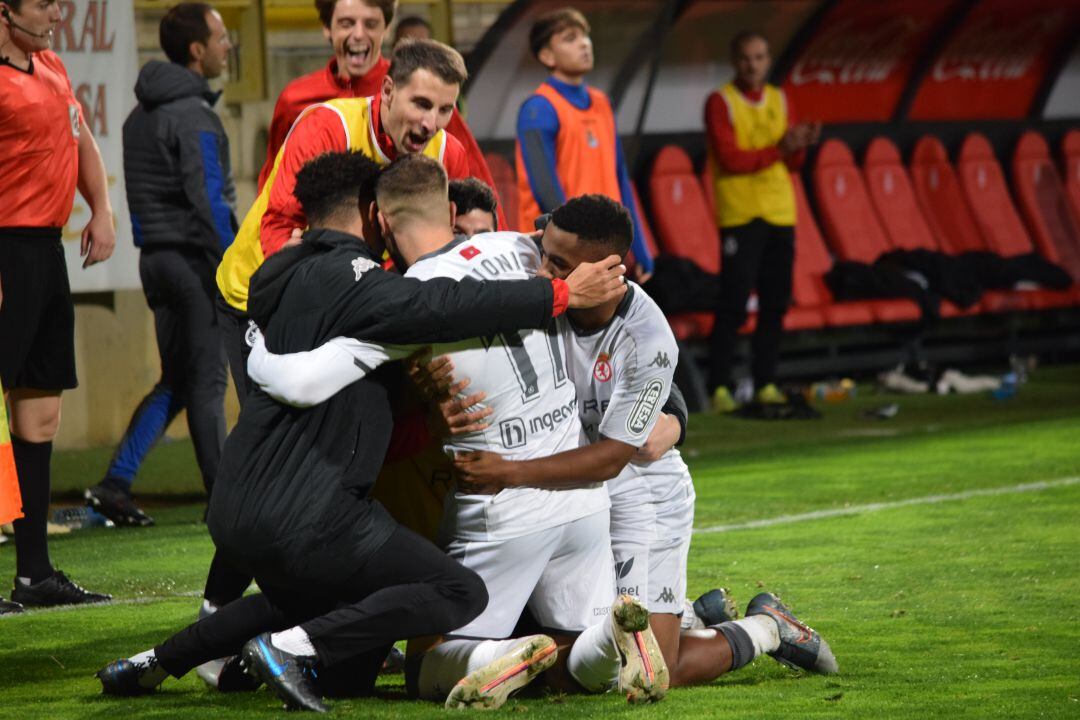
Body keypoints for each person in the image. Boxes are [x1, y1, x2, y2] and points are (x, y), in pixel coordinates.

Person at [96, 151, 629, 712]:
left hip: (241, 501)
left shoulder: (275, 273)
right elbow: (444, 305)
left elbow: (310, 372)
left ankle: (155, 663)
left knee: (324, 613)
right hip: (313, 509)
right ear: (373, 214)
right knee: (457, 591)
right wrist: (563, 294)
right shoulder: (365, 285)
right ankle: (287, 650)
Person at [217, 38, 472, 406]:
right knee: (273, 433)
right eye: (421, 104)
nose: (431, 123)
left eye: (445, 109)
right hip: (259, 295)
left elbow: (452, 243)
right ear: (388, 90)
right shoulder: (327, 129)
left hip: (355, 307)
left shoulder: (449, 154)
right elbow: (279, 229)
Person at [84, 3, 236, 529]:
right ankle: (226, 499)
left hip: (156, 263)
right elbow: (208, 201)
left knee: (178, 381)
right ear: (196, 51)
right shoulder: (194, 114)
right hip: (195, 265)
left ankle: (114, 484)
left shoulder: (138, 115)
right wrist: (238, 265)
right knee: (210, 385)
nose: (227, 46)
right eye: (220, 38)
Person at [0, 0, 114, 607]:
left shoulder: (49, 62)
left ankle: (35, 574)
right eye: (44, 5)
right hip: (4, 247)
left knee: (39, 414)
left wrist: (101, 207)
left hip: (44, 251)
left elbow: (81, 136)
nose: (55, 15)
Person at [257, 0, 504, 229]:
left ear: (386, 28)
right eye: (347, 23)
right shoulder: (295, 100)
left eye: (371, 24)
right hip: (312, 254)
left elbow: (474, 182)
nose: (358, 34)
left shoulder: (421, 90)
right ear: (327, 27)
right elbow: (272, 186)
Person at [704, 31, 820, 413]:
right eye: (746, 57)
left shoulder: (781, 98)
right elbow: (731, 159)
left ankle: (765, 381)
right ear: (735, 61)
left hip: (780, 212)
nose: (753, 64)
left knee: (775, 302)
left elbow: (793, 165)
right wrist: (781, 148)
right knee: (734, 301)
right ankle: (719, 385)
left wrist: (799, 146)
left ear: (768, 60)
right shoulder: (721, 102)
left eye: (759, 57)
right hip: (740, 214)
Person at [514, 7, 653, 280]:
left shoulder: (601, 103)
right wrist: (578, 251)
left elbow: (620, 178)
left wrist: (639, 245)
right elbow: (547, 193)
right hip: (560, 254)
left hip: (604, 248)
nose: (584, 44)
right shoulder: (539, 108)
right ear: (546, 55)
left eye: (585, 36)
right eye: (570, 38)